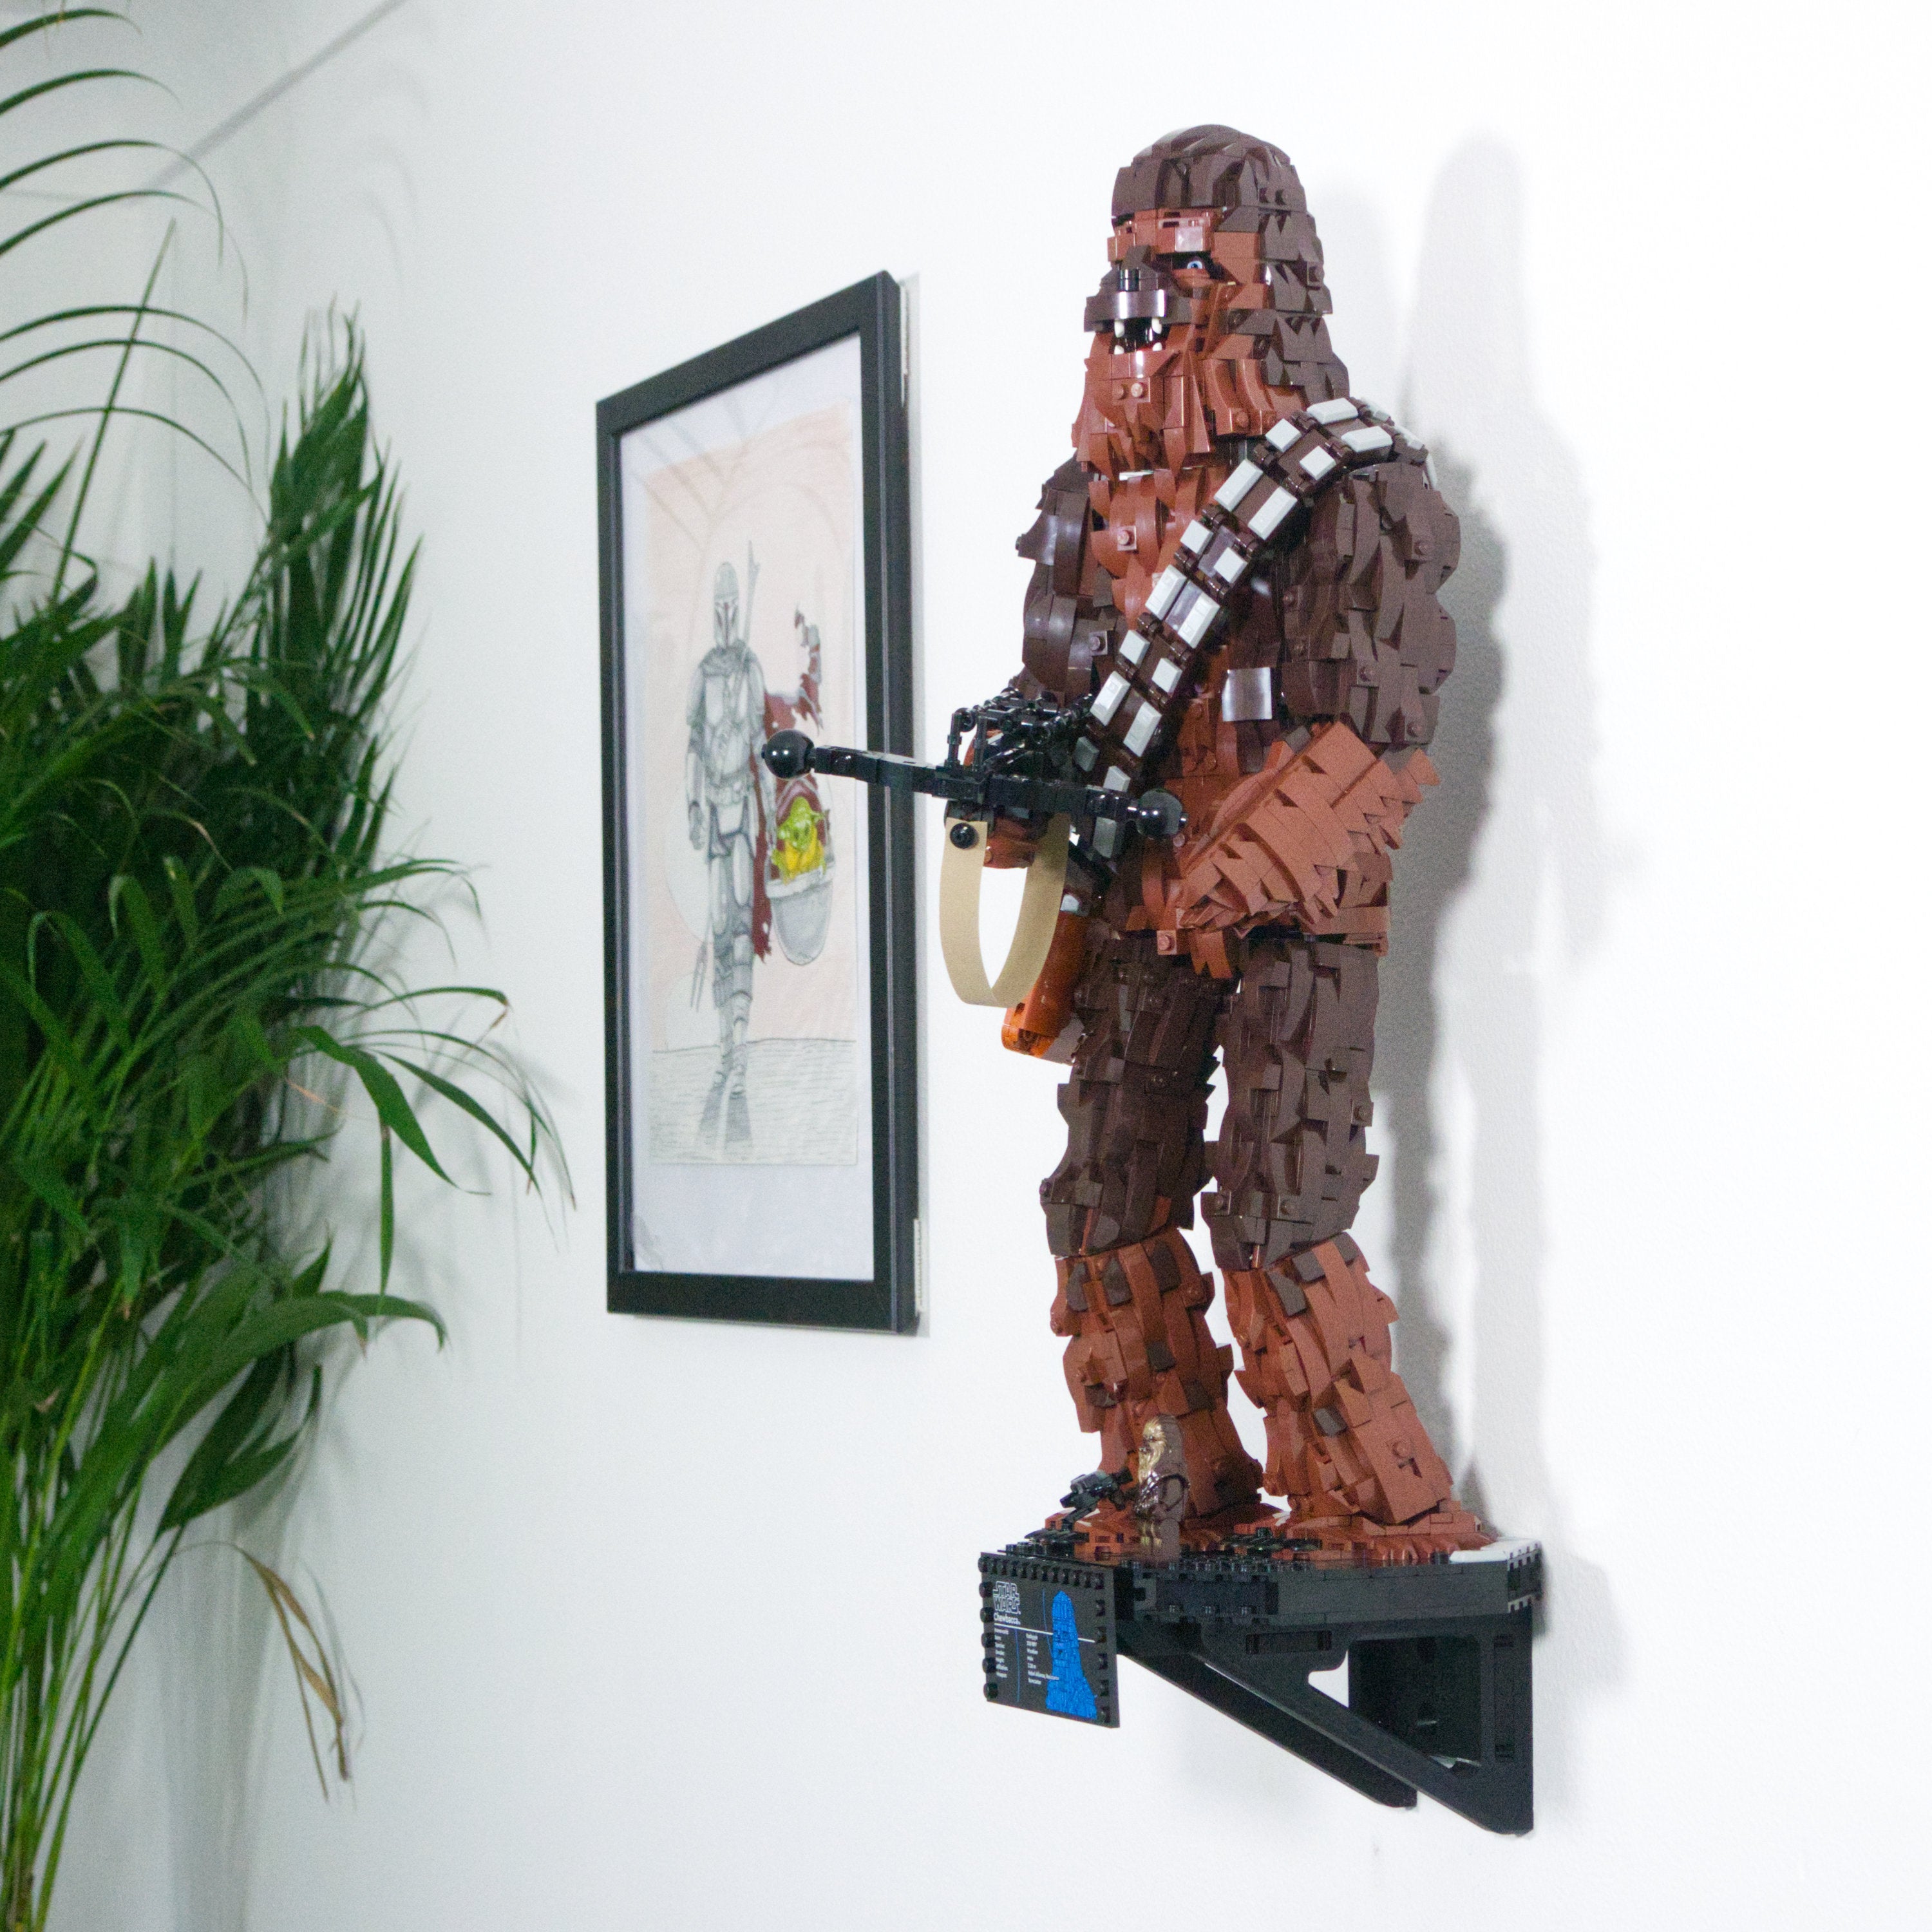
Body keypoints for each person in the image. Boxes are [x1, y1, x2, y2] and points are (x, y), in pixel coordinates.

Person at [994, 126, 1485, 1560]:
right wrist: (1013, 784)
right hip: (1134, 906)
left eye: (1181, 265)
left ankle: (1374, 1502)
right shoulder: (1087, 505)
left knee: (1279, 1208)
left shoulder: (1349, 484)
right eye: (1126, 271)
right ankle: (1168, 1486)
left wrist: (1251, 857)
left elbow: (1376, 733)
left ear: (1266, 282)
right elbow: (1057, 698)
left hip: (1295, 915)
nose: (1145, 306)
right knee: (1104, 1206)